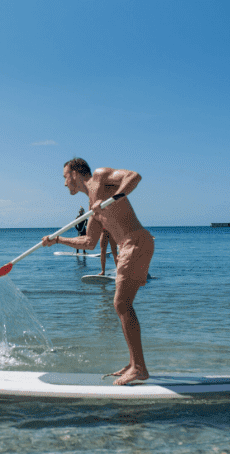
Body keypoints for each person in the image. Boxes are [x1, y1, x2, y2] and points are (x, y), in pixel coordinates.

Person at [42, 158, 154, 385]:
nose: (65, 183)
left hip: (136, 241)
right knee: (123, 304)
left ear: (75, 173)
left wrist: (114, 199)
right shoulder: (93, 207)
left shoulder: (101, 178)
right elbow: (89, 242)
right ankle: (134, 364)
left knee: (121, 304)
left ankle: (139, 368)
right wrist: (57, 240)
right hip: (127, 246)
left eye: (65, 177)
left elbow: (134, 176)